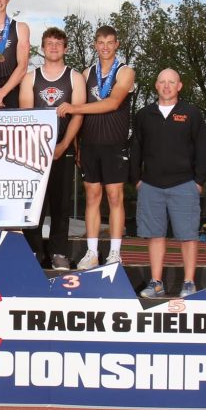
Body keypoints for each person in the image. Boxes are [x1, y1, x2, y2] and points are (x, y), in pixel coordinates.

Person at [57, 25, 135, 269]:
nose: (105, 47)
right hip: (90, 145)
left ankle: (114, 252)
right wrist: (78, 144)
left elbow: (112, 103)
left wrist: (73, 107)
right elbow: (78, 117)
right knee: (91, 197)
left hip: (114, 144)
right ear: (94, 45)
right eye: (100, 42)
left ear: (117, 45)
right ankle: (91, 252)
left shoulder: (125, 72)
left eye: (110, 42)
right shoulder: (86, 73)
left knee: (114, 197)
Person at [131, 68, 206, 298]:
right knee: (155, 236)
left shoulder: (192, 113)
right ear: (156, 85)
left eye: (172, 82)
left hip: (184, 184)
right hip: (151, 185)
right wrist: (136, 179)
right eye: (162, 82)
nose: (167, 86)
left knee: (188, 236)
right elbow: (136, 148)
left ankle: (188, 283)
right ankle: (156, 283)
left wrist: (198, 181)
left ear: (180, 86)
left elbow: (203, 149)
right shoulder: (143, 115)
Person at [20, 27, 86, 269]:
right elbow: (26, 114)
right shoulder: (30, 78)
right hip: (36, 150)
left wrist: (64, 144)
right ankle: (34, 251)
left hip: (62, 147)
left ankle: (59, 252)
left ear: (65, 48)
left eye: (59, 44)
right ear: (43, 48)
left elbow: (78, 115)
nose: (54, 48)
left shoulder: (74, 78)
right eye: (50, 44)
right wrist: (40, 147)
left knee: (61, 205)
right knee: (35, 203)